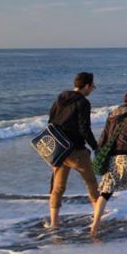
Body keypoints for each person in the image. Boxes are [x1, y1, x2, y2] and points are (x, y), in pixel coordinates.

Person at [90, 91, 127, 235]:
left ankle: (95, 223)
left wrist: (99, 154)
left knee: (106, 192)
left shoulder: (113, 113)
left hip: (111, 157)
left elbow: (104, 136)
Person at [47, 72, 100, 228]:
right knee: (92, 184)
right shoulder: (83, 103)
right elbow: (85, 129)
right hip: (76, 151)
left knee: (57, 188)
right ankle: (98, 219)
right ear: (87, 86)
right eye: (93, 87)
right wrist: (96, 147)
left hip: (59, 150)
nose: (92, 90)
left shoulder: (61, 97)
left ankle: (54, 223)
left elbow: (51, 121)